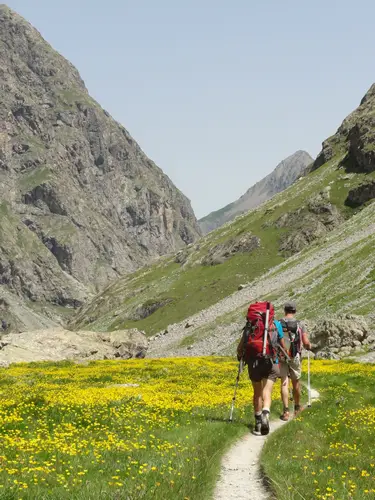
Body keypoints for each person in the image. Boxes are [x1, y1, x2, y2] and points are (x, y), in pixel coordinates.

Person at [237, 316, 286, 436]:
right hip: (271, 362)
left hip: (254, 363)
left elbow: (240, 347)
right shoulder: (275, 324)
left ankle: (258, 423)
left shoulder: (251, 325)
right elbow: (282, 343)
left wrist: (240, 356)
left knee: (257, 393)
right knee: (267, 391)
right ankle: (266, 412)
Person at [279, 301, 311, 421]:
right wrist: (308, 346)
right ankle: (297, 408)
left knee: (284, 382)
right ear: (295, 311)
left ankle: (286, 411)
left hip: (282, 356)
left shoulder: (279, 323)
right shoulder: (300, 324)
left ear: (285, 311)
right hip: (295, 356)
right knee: (296, 382)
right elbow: (306, 342)